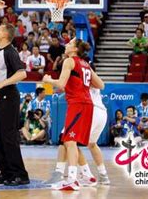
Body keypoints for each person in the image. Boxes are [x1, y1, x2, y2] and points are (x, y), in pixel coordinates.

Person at [43, 38, 104, 191]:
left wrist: (49, 80)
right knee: (70, 140)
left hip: (78, 104)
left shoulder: (69, 61)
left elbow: (61, 83)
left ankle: (72, 179)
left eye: (69, 44)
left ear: (75, 49)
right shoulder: (85, 64)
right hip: (87, 104)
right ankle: (85, 175)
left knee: (69, 141)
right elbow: (101, 85)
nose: (66, 45)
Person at [0, 0, 29, 186]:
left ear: (6, 35)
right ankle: (5, 172)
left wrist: (2, 83)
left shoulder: (10, 52)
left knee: (9, 137)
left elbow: (23, 73)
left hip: (9, 96)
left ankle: (20, 174)